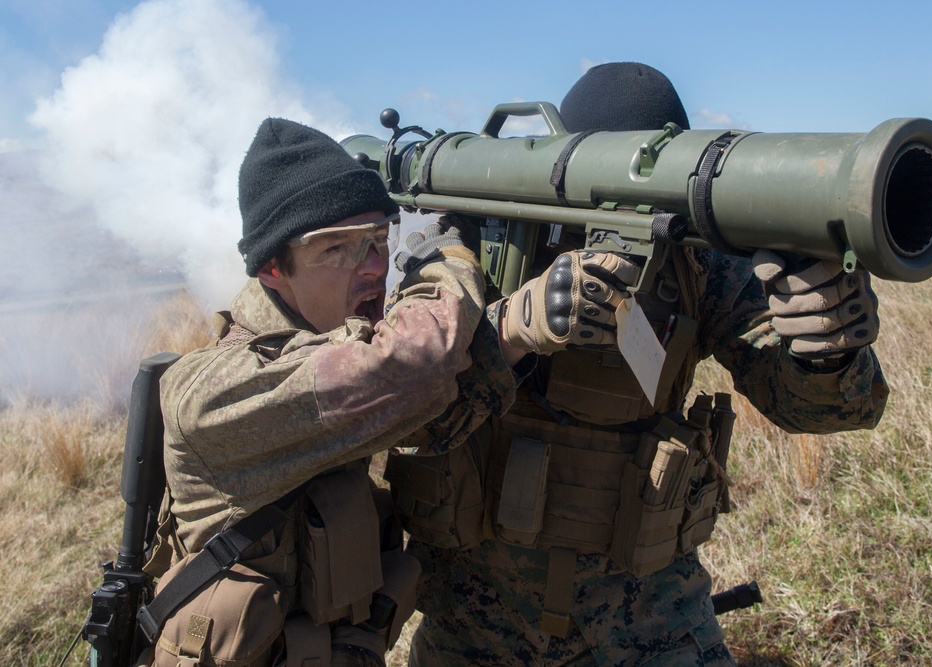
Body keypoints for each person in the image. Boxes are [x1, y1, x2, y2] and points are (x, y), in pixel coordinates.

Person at [394, 62, 890, 666]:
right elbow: (400, 412)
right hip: (472, 610)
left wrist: (826, 353)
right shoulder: (469, 236)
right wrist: (511, 326)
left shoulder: (697, 261)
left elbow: (820, 410)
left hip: (644, 612)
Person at [149, 117, 638, 666]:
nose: (375, 269)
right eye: (337, 250)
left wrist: (514, 330)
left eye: (380, 240)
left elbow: (420, 415)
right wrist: (447, 261)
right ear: (271, 268)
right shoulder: (217, 393)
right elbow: (410, 368)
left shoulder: (326, 345)